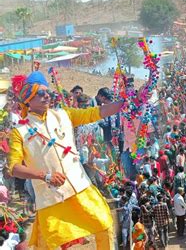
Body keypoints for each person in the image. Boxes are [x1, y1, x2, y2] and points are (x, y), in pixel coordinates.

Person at [9, 71, 124, 249]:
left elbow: (96, 113)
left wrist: (125, 103)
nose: (47, 96)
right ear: (28, 99)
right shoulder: (19, 132)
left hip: (80, 188)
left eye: (48, 92)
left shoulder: (64, 115)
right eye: (40, 93)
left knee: (105, 226)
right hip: (51, 198)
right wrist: (45, 176)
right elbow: (14, 168)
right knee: (50, 245)